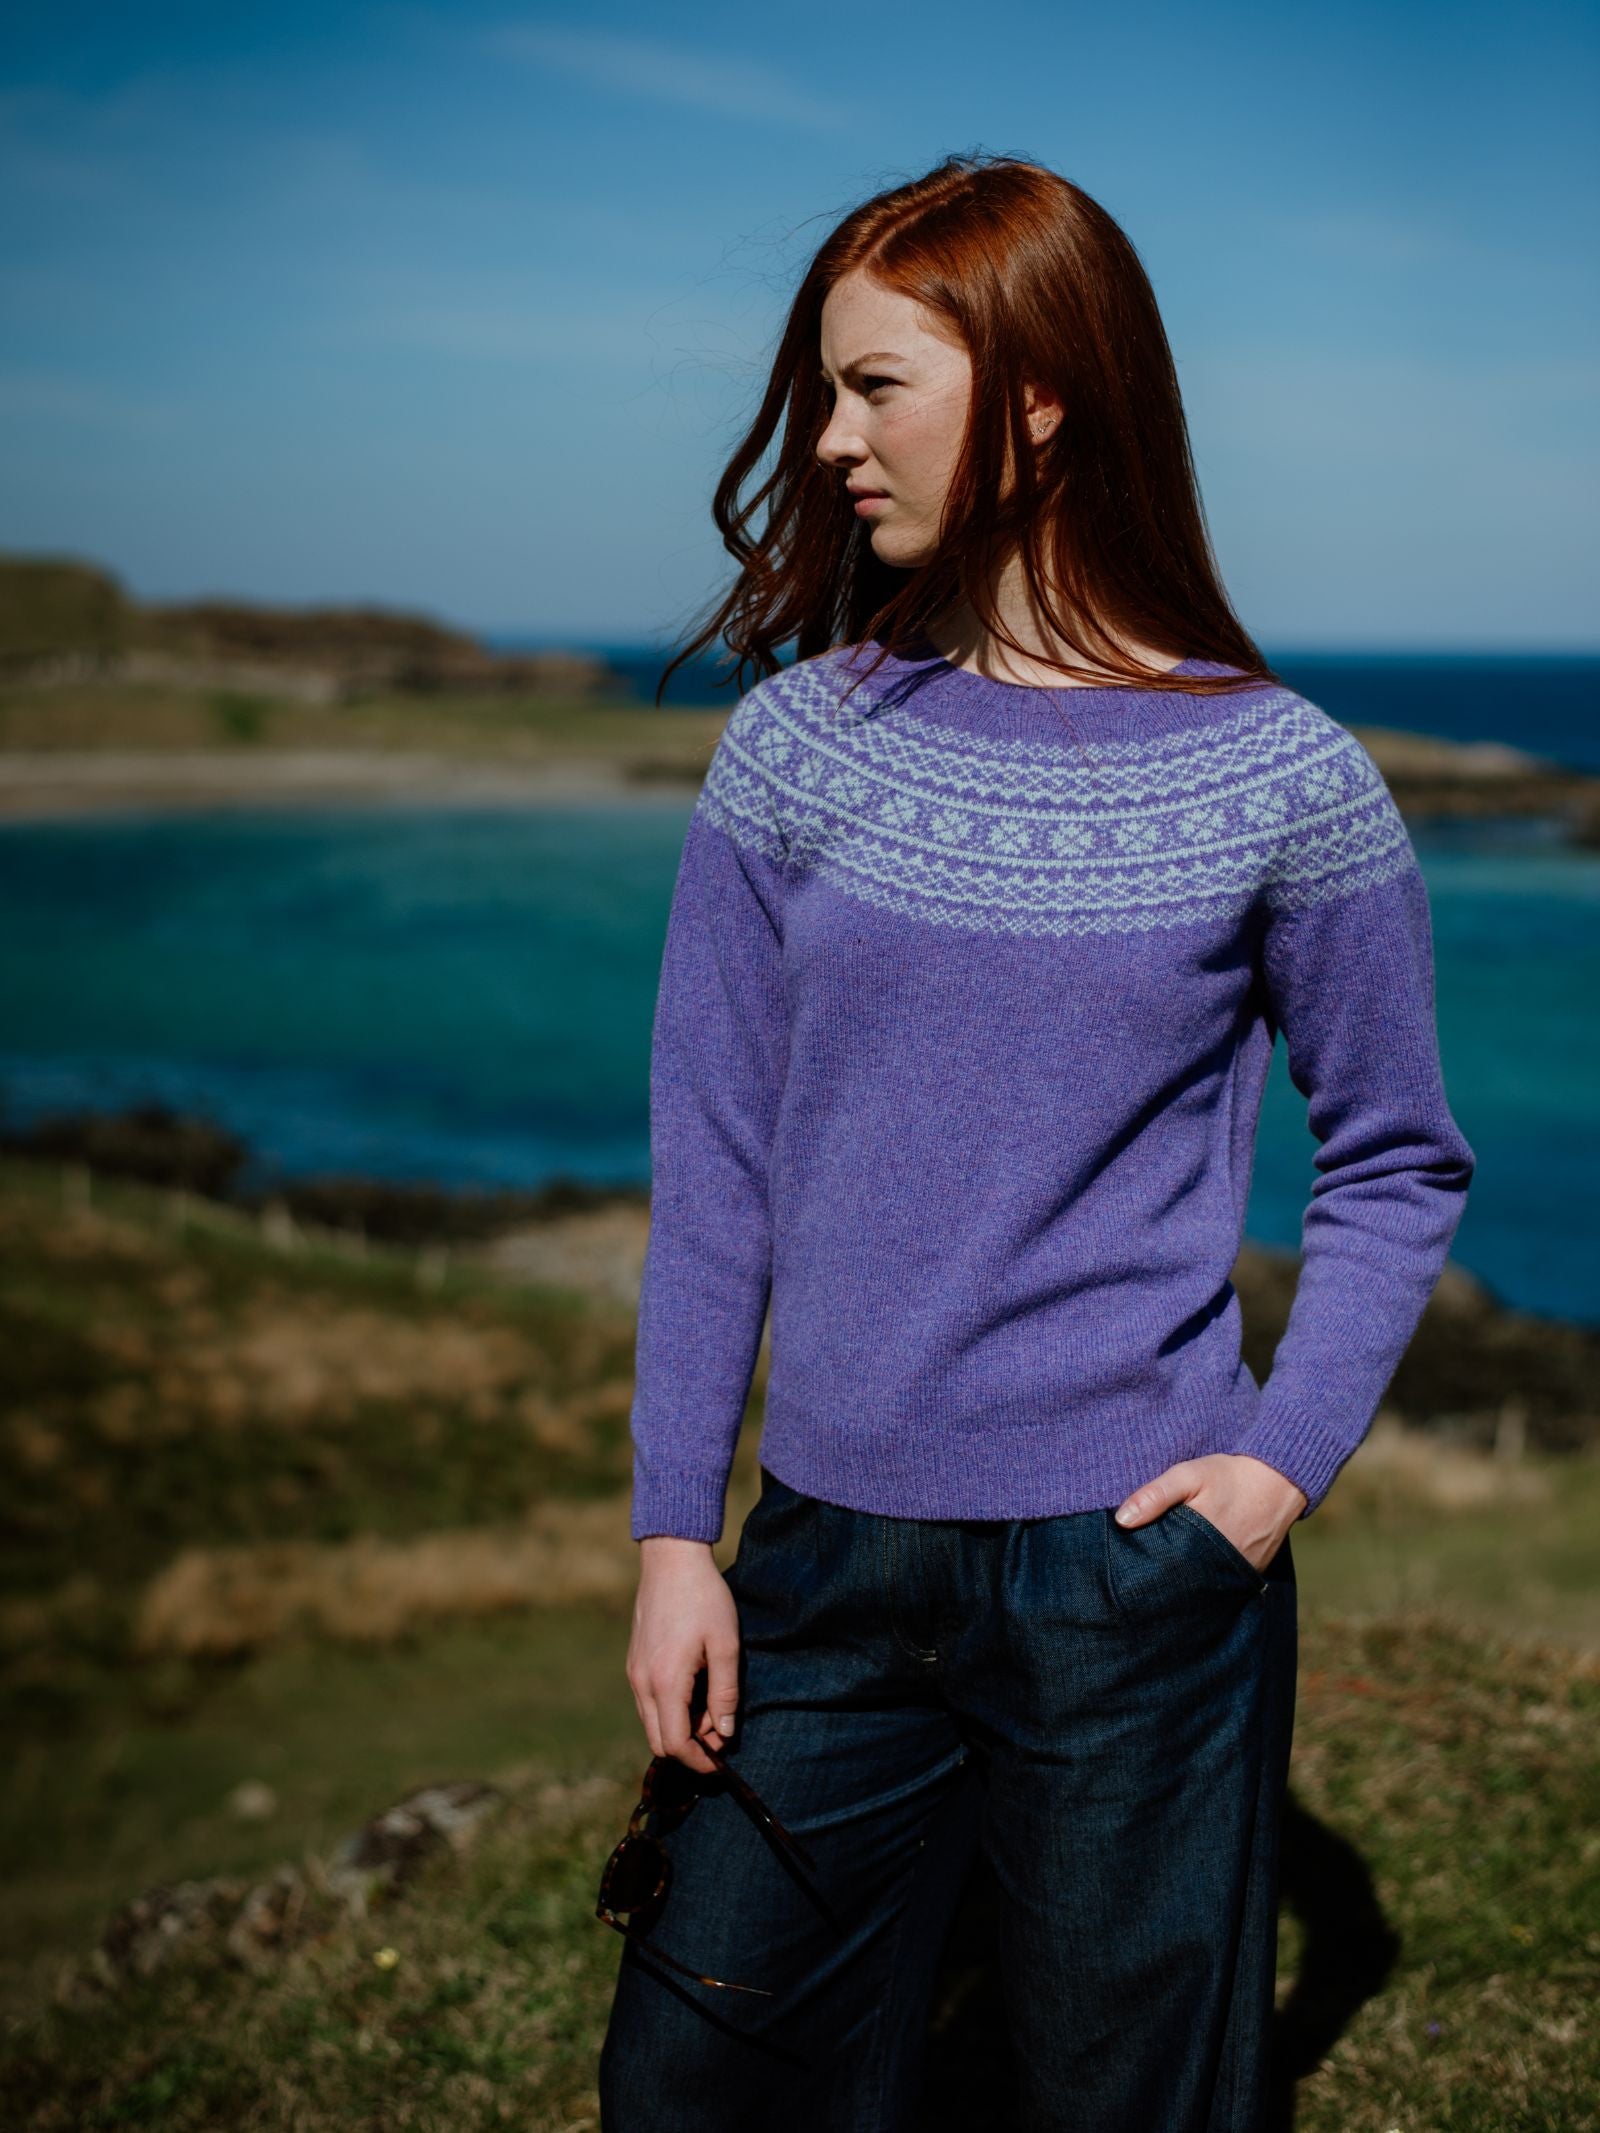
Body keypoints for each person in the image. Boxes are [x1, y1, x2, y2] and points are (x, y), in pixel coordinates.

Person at [597, 152, 1475, 2133]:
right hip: (817, 1561)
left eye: (873, 386)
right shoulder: (797, 745)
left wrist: (1268, 1469)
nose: (826, 440)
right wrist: (673, 1529)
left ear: (1044, 395)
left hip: (1127, 1573)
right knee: (688, 2083)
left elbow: (1397, 1153)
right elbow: (712, 1160)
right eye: (819, 391)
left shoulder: (1283, 779)